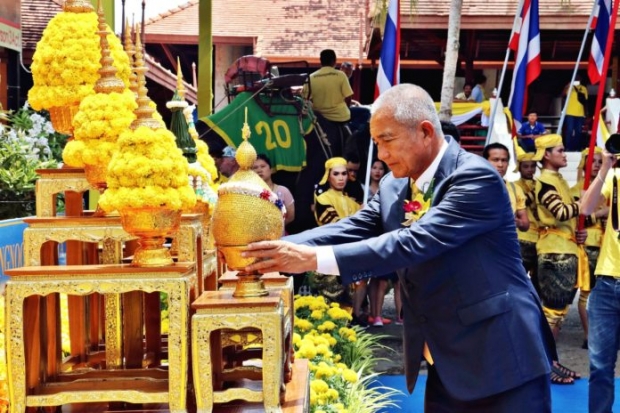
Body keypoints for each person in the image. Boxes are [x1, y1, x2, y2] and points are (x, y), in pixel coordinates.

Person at [243, 83, 554, 412]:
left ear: (424, 132)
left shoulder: (475, 178)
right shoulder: (395, 183)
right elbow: (354, 227)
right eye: (376, 143)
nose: (381, 155)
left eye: (387, 140)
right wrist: (271, 249)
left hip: (502, 356)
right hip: (446, 359)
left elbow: (413, 242)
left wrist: (310, 259)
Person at [533, 134, 587, 384]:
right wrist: (583, 203)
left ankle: (550, 361)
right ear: (547, 154)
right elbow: (562, 211)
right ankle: (543, 363)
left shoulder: (557, 180)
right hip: (554, 252)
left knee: (559, 313)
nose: (565, 154)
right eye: (561, 150)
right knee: (551, 313)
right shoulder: (544, 182)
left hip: (564, 248)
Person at [580, 148, 620, 413]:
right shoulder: (615, 176)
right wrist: (605, 166)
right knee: (600, 365)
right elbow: (585, 207)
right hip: (607, 282)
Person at [312, 157, 363, 325]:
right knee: (329, 297)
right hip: (329, 253)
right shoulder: (322, 199)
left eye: (344, 174)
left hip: (348, 254)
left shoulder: (353, 202)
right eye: (336, 174)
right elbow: (334, 226)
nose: (341, 178)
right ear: (328, 176)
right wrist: (358, 216)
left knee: (348, 296)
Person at [569, 148, 607, 350]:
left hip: (607, 245)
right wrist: (603, 212)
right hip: (587, 245)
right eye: (593, 161)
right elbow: (577, 218)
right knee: (587, 292)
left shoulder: (610, 189)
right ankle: (589, 335)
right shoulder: (575, 190)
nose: (596, 165)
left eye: (600, 162)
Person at [363, 159, 402, 326]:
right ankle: (375, 314)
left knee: (399, 280)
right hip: (376, 237)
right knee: (379, 280)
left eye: (381, 168)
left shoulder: (392, 187)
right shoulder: (363, 188)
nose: (377, 171)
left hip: (394, 236)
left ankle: (402, 316)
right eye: (374, 167)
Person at [304, 49, 354, 157]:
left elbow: (305, 98)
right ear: (334, 61)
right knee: (352, 140)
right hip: (339, 117)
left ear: (320, 61)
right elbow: (348, 96)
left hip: (319, 116)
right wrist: (347, 107)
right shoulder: (341, 75)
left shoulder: (311, 77)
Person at [513, 146, 542, 296]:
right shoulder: (515, 186)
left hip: (540, 238)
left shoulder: (540, 184)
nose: (530, 169)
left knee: (538, 281)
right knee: (518, 276)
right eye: (526, 166)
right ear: (519, 168)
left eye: (533, 166)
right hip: (523, 237)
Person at [482, 142, 530, 232]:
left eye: (504, 160)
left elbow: (525, 224)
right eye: (495, 160)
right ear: (485, 162)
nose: (500, 165)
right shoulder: (475, 186)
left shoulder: (515, 189)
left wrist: (518, 223)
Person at [253, 154, 296, 226]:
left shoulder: (283, 191)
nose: (259, 170)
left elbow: (290, 217)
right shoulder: (248, 194)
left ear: (270, 170)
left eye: (263, 166)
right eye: (255, 168)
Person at [562, 75, 588, 151]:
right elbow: (563, 94)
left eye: (578, 79)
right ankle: (568, 147)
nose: (576, 80)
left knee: (578, 131)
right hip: (570, 112)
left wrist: (586, 114)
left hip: (580, 113)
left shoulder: (583, 88)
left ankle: (577, 148)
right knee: (569, 130)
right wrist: (568, 85)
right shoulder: (569, 87)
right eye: (575, 79)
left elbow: (585, 101)